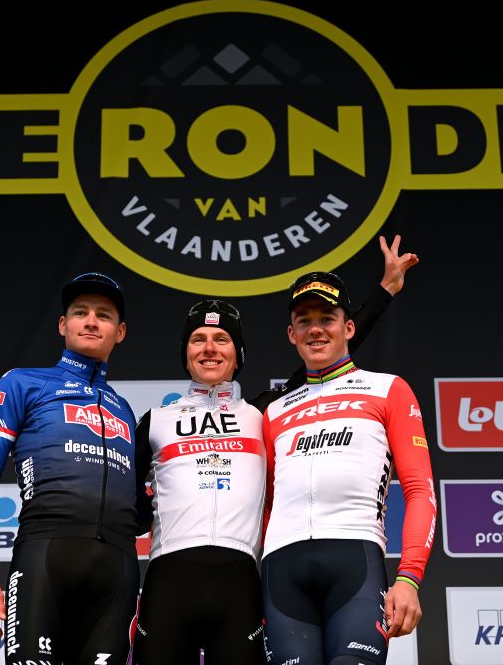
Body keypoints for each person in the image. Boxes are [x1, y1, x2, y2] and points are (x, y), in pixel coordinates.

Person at [131, 237, 419, 665]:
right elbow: (131, 511)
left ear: (239, 353)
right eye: (198, 339)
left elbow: (329, 352)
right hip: (168, 582)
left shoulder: (263, 412)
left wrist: (385, 291)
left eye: (222, 339)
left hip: (242, 583)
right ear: (185, 351)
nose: (210, 348)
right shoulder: (153, 420)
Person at [0, 272, 149, 665]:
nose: (92, 321)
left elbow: (138, 513)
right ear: (63, 325)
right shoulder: (23, 384)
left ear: (121, 331)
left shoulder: (124, 411)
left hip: (117, 572)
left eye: (104, 315)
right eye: (80, 312)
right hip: (44, 559)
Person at [260, 270, 436, 665]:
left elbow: (419, 489)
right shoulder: (272, 412)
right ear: (292, 334)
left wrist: (409, 577)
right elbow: (266, 507)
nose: (316, 330)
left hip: (355, 562)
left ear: (349, 327)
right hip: (281, 572)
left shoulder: (388, 389)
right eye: (304, 321)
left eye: (327, 318)